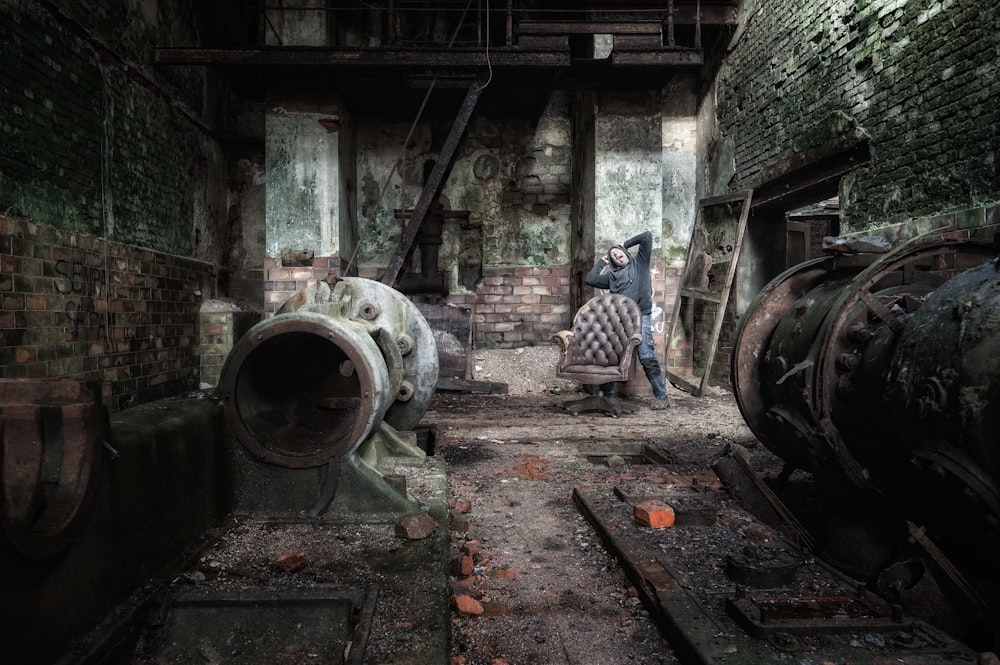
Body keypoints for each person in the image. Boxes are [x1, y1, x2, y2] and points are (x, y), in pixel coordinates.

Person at [585, 230, 671, 410]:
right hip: (620, 321)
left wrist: (624, 243)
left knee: (647, 356)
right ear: (613, 262)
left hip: (642, 317)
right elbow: (591, 279)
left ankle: (662, 397)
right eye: (614, 256)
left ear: (626, 254)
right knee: (612, 355)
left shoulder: (640, 262)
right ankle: (606, 397)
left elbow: (647, 236)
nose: (617, 256)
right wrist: (602, 261)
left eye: (619, 253)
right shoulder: (611, 277)